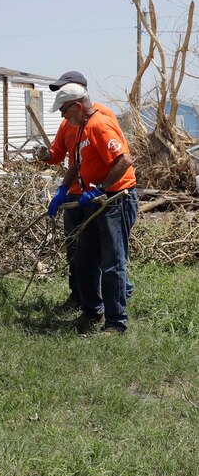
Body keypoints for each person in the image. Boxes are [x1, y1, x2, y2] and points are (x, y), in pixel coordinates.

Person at [46, 83, 138, 334]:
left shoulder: (99, 125)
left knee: (112, 262)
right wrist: (62, 190)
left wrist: (99, 188)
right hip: (95, 202)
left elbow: (123, 161)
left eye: (64, 111)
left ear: (77, 106)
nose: (63, 116)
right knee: (83, 258)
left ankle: (115, 323)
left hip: (114, 200)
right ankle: (91, 313)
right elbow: (76, 164)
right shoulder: (81, 129)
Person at [34, 71, 119, 309]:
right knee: (77, 252)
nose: (62, 112)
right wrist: (46, 157)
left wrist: (101, 189)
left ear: (80, 96)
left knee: (107, 255)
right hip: (75, 195)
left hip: (98, 195)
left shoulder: (101, 118)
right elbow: (63, 158)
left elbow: (118, 160)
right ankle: (79, 297)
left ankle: (116, 298)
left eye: (64, 105)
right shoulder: (67, 124)